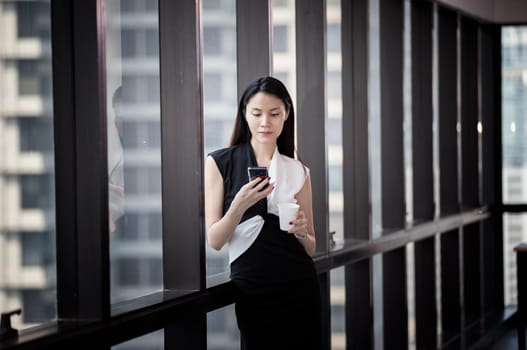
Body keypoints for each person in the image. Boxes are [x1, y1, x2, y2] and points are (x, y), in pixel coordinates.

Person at [204, 76, 322, 349]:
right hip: (253, 288)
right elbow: (215, 240)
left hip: (299, 285)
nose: (265, 122)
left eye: (274, 113)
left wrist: (301, 229)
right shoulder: (220, 163)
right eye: (257, 113)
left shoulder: (298, 171)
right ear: (245, 114)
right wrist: (239, 205)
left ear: (286, 114)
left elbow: (311, 247)